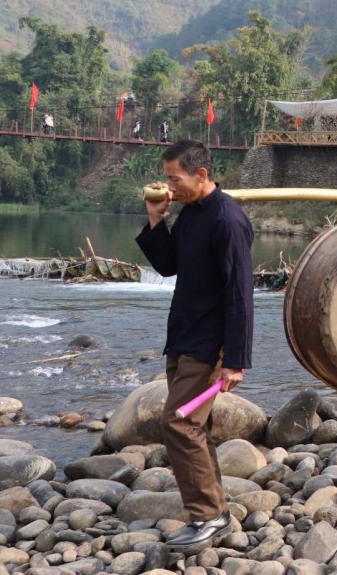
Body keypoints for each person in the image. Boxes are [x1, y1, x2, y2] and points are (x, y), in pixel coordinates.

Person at [135, 140, 253, 549]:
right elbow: (169, 266)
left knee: (179, 424)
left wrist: (234, 360)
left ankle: (209, 517)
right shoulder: (189, 213)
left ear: (201, 175)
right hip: (183, 336)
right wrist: (156, 220)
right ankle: (213, 512)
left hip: (210, 346)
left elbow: (240, 294)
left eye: (174, 179)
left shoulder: (227, 220)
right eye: (167, 179)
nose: (169, 186)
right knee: (192, 426)